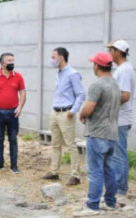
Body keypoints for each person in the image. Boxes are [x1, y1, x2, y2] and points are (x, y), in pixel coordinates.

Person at [75, 52, 120, 215]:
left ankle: (92, 205)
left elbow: (88, 108)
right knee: (109, 169)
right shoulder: (115, 84)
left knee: (95, 171)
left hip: (97, 133)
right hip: (112, 133)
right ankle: (110, 202)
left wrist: (81, 114)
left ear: (96, 66)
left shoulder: (97, 86)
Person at [43, 47, 86, 186]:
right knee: (55, 144)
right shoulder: (59, 73)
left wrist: (73, 111)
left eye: (53, 57)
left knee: (70, 144)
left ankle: (75, 175)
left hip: (66, 113)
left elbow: (81, 94)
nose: (52, 60)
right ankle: (54, 172)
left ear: (61, 57)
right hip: (55, 112)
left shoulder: (73, 74)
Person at [0, 52, 26, 174]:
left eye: (13, 60)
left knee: (13, 139)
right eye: (9, 61)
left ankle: (14, 165)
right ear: (2, 63)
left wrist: (20, 107)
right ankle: (0, 163)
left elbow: (23, 92)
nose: (12, 63)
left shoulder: (18, 77)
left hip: (13, 113)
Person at [107, 40, 136, 202]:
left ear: (118, 52)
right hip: (118, 118)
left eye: (111, 50)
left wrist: (106, 100)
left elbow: (124, 95)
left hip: (121, 118)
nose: (110, 53)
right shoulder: (122, 69)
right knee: (116, 154)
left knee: (119, 155)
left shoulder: (124, 70)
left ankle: (121, 190)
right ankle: (118, 187)